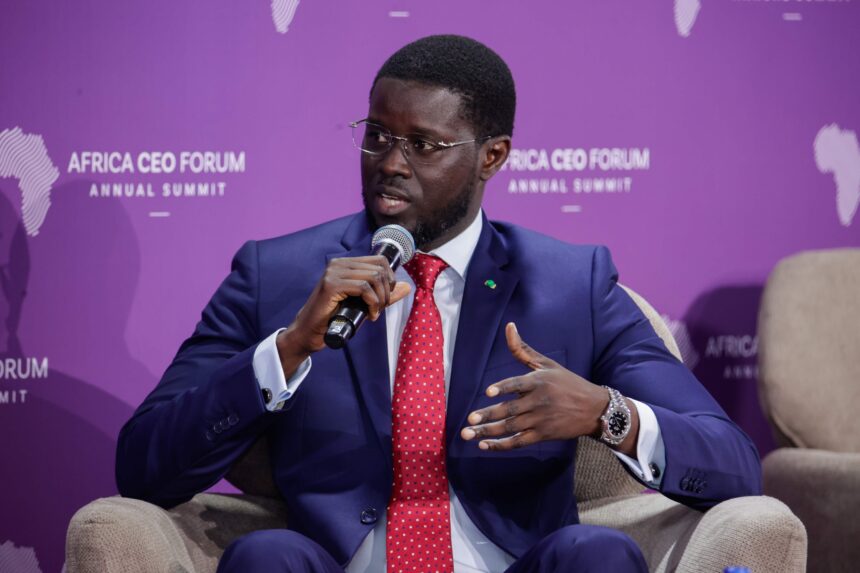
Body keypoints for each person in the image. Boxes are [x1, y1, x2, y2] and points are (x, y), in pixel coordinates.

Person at [116, 35, 761, 572]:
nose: (390, 163)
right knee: (265, 558)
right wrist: (284, 352)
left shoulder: (571, 285)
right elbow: (142, 466)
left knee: (597, 555)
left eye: (423, 145)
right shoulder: (278, 276)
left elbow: (733, 464)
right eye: (377, 135)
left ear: (492, 157)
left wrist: (606, 413)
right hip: (338, 565)